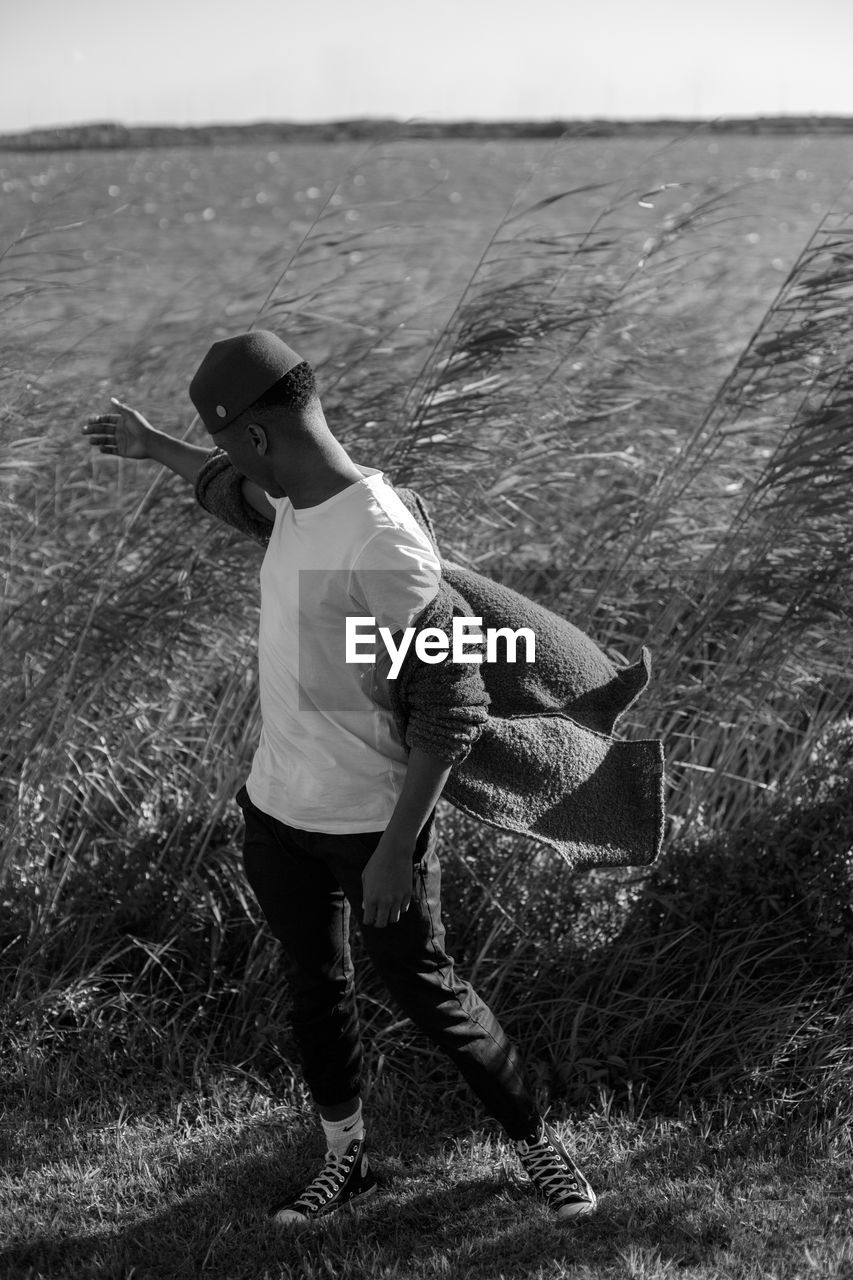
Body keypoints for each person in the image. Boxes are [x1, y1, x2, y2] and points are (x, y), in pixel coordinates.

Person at [82, 329, 641, 1229]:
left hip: (370, 825)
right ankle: (346, 1161)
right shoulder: (293, 499)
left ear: (262, 438)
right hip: (276, 808)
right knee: (316, 989)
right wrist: (157, 449)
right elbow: (231, 496)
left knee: (429, 992)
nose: (230, 464)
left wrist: (392, 850)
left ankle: (538, 1142)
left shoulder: (383, 544)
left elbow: (450, 708)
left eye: (232, 443)